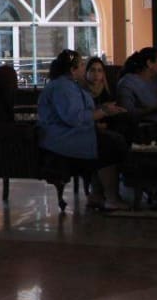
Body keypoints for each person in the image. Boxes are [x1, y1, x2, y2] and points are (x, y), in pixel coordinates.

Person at [38, 49, 129, 210]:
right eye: (81, 65)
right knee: (109, 145)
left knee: (113, 139)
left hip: (70, 135)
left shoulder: (68, 85)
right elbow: (75, 117)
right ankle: (111, 197)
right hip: (63, 139)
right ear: (72, 69)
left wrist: (102, 109)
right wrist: (103, 112)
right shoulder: (63, 87)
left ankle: (97, 194)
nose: (83, 68)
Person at [116, 47, 157, 142]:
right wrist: (153, 109)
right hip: (141, 131)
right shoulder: (127, 83)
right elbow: (126, 114)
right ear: (149, 63)